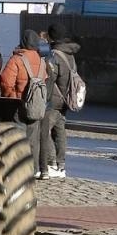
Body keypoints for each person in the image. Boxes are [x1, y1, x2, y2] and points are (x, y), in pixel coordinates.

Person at [0, 29, 49, 172]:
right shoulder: (41, 60)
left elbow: (6, 81)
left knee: (17, 137)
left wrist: (12, 96)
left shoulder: (17, 59)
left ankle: (18, 169)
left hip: (19, 103)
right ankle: (32, 169)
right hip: (36, 105)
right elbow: (44, 79)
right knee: (33, 139)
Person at [42, 26, 81, 180]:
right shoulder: (70, 55)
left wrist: (45, 98)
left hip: (54, 99)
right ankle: (61, 165)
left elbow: (51, 78)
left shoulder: (54, 55)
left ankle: (51, 163)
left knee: (45, 131)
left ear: (52, 38)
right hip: (67, 98)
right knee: (60, 131)